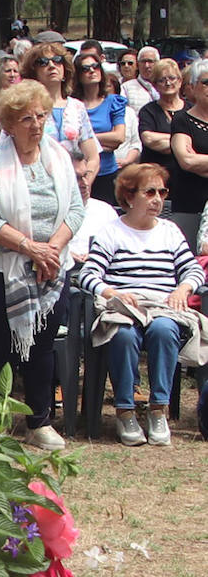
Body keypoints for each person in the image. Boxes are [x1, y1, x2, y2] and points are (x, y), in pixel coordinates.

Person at [0, 80, 84, 451]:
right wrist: (30, 248)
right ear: (8, 124)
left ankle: (39, 421)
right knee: (4, 344)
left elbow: (76, 209)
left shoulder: (60, 157)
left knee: (43, 345)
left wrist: (50, 250)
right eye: (26, 119)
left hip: (52, 265)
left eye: (41, 116)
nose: (36, 125)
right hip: (1, 267)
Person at [80, 163, 204, 446]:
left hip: (161, 306)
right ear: (129, 196)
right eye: (150, 192)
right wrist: (112, 292)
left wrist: (184, 288)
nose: (158, 199)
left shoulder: (170, 232)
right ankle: (125, 411)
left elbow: (193, 270)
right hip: (124, 308)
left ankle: (158, 409)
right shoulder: (110, 232)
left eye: (162, 192)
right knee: (123, 334)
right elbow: (88, 275)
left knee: (164, 330)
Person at [20, 42, 98, 194]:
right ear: (33, 72)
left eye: (57, 60)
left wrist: (83, 183)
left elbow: (93, 156)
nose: (51, 65)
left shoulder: (77, 107)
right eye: (43, 62)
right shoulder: (24, 108)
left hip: (75, 189)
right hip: (38, 190)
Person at [73, 51, 126, 204]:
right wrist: (103, 142)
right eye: (85, 68)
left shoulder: (114, 102)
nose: (91, 71)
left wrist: (86, 139)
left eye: (95, 66)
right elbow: (70, 141)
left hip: (107, 173)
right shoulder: (72, 105)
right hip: (78, 174)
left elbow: (119, 137)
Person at [169, 58, 208, 217]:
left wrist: (200, 160)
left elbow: (194, 161)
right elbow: (187, 161)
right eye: (206, 82)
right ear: (192, 87)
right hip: (190, 205)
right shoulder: (181, 120)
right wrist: (193, 161)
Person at [137, 59, 182, 179]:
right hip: (155, 177)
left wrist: (164, 138)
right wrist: (183, 140)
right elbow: (148, 138)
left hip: (187, 177)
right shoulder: (148, 111)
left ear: (180, 81)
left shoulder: (191, 110)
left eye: (172, 78)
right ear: (155, 85)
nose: (168, 83)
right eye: (162, 80)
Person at [121, 46, 160, 117]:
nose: (146, 65)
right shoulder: (126, 87)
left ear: (158, 63)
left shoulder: (165, 86)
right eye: (143, 61)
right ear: (138, 64)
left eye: (150, 61)